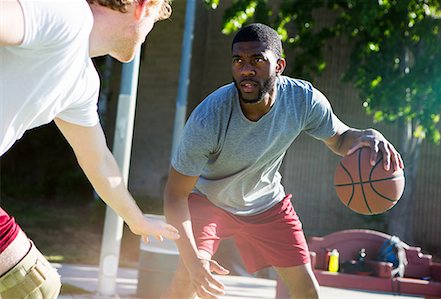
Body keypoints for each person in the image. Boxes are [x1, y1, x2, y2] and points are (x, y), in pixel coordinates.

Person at [163, 23, 404, 299]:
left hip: (267, 203)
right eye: (238, 60)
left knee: (305, 286)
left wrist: (367, 134)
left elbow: (340, 139)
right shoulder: (209, 118)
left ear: (279, 65)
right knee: (188, 275)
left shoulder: (302, 100)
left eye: (257, 60)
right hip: (210, 201)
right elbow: (175, 195)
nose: (246, 69)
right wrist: (194, 262)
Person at [0, 0, 179, 297]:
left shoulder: (81, 81)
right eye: (153, 22)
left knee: (33, 286)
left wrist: (137, 220)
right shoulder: (66, 14)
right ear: (142, 7)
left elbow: (98, 161)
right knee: (31, 285)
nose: (148, 34)